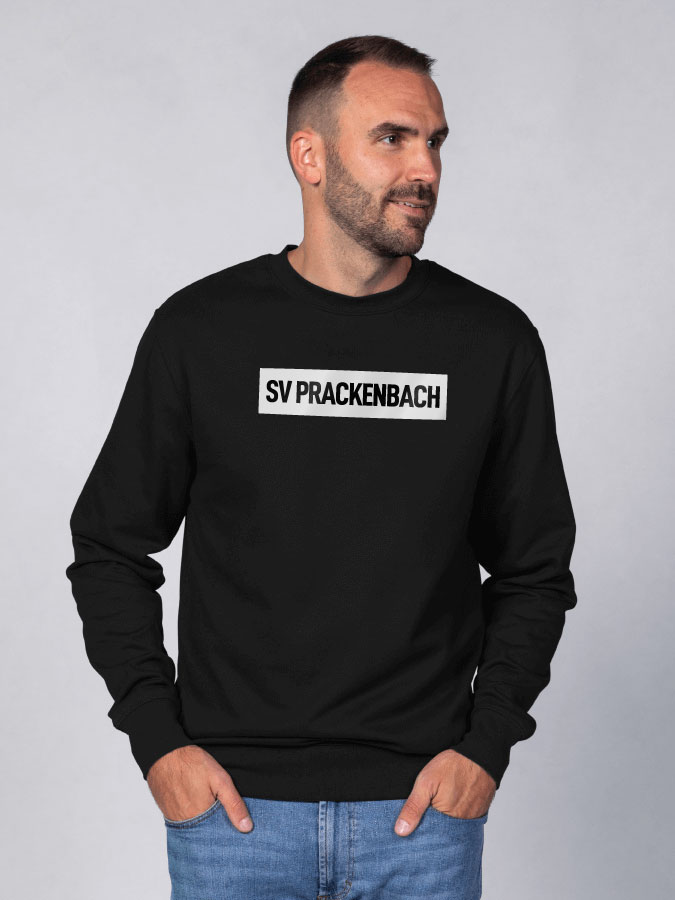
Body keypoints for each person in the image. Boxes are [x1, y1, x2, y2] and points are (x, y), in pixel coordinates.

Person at [65, 34, 577, 900]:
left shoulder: (491, 342)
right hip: (235, 821)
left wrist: (485, 748)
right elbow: (110, 547)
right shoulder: (202, 332)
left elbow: (533, 570)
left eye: (434, 142)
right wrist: (158, 744)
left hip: (421, 820)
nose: (424, 168)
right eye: (392, 138)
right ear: (309, 156)